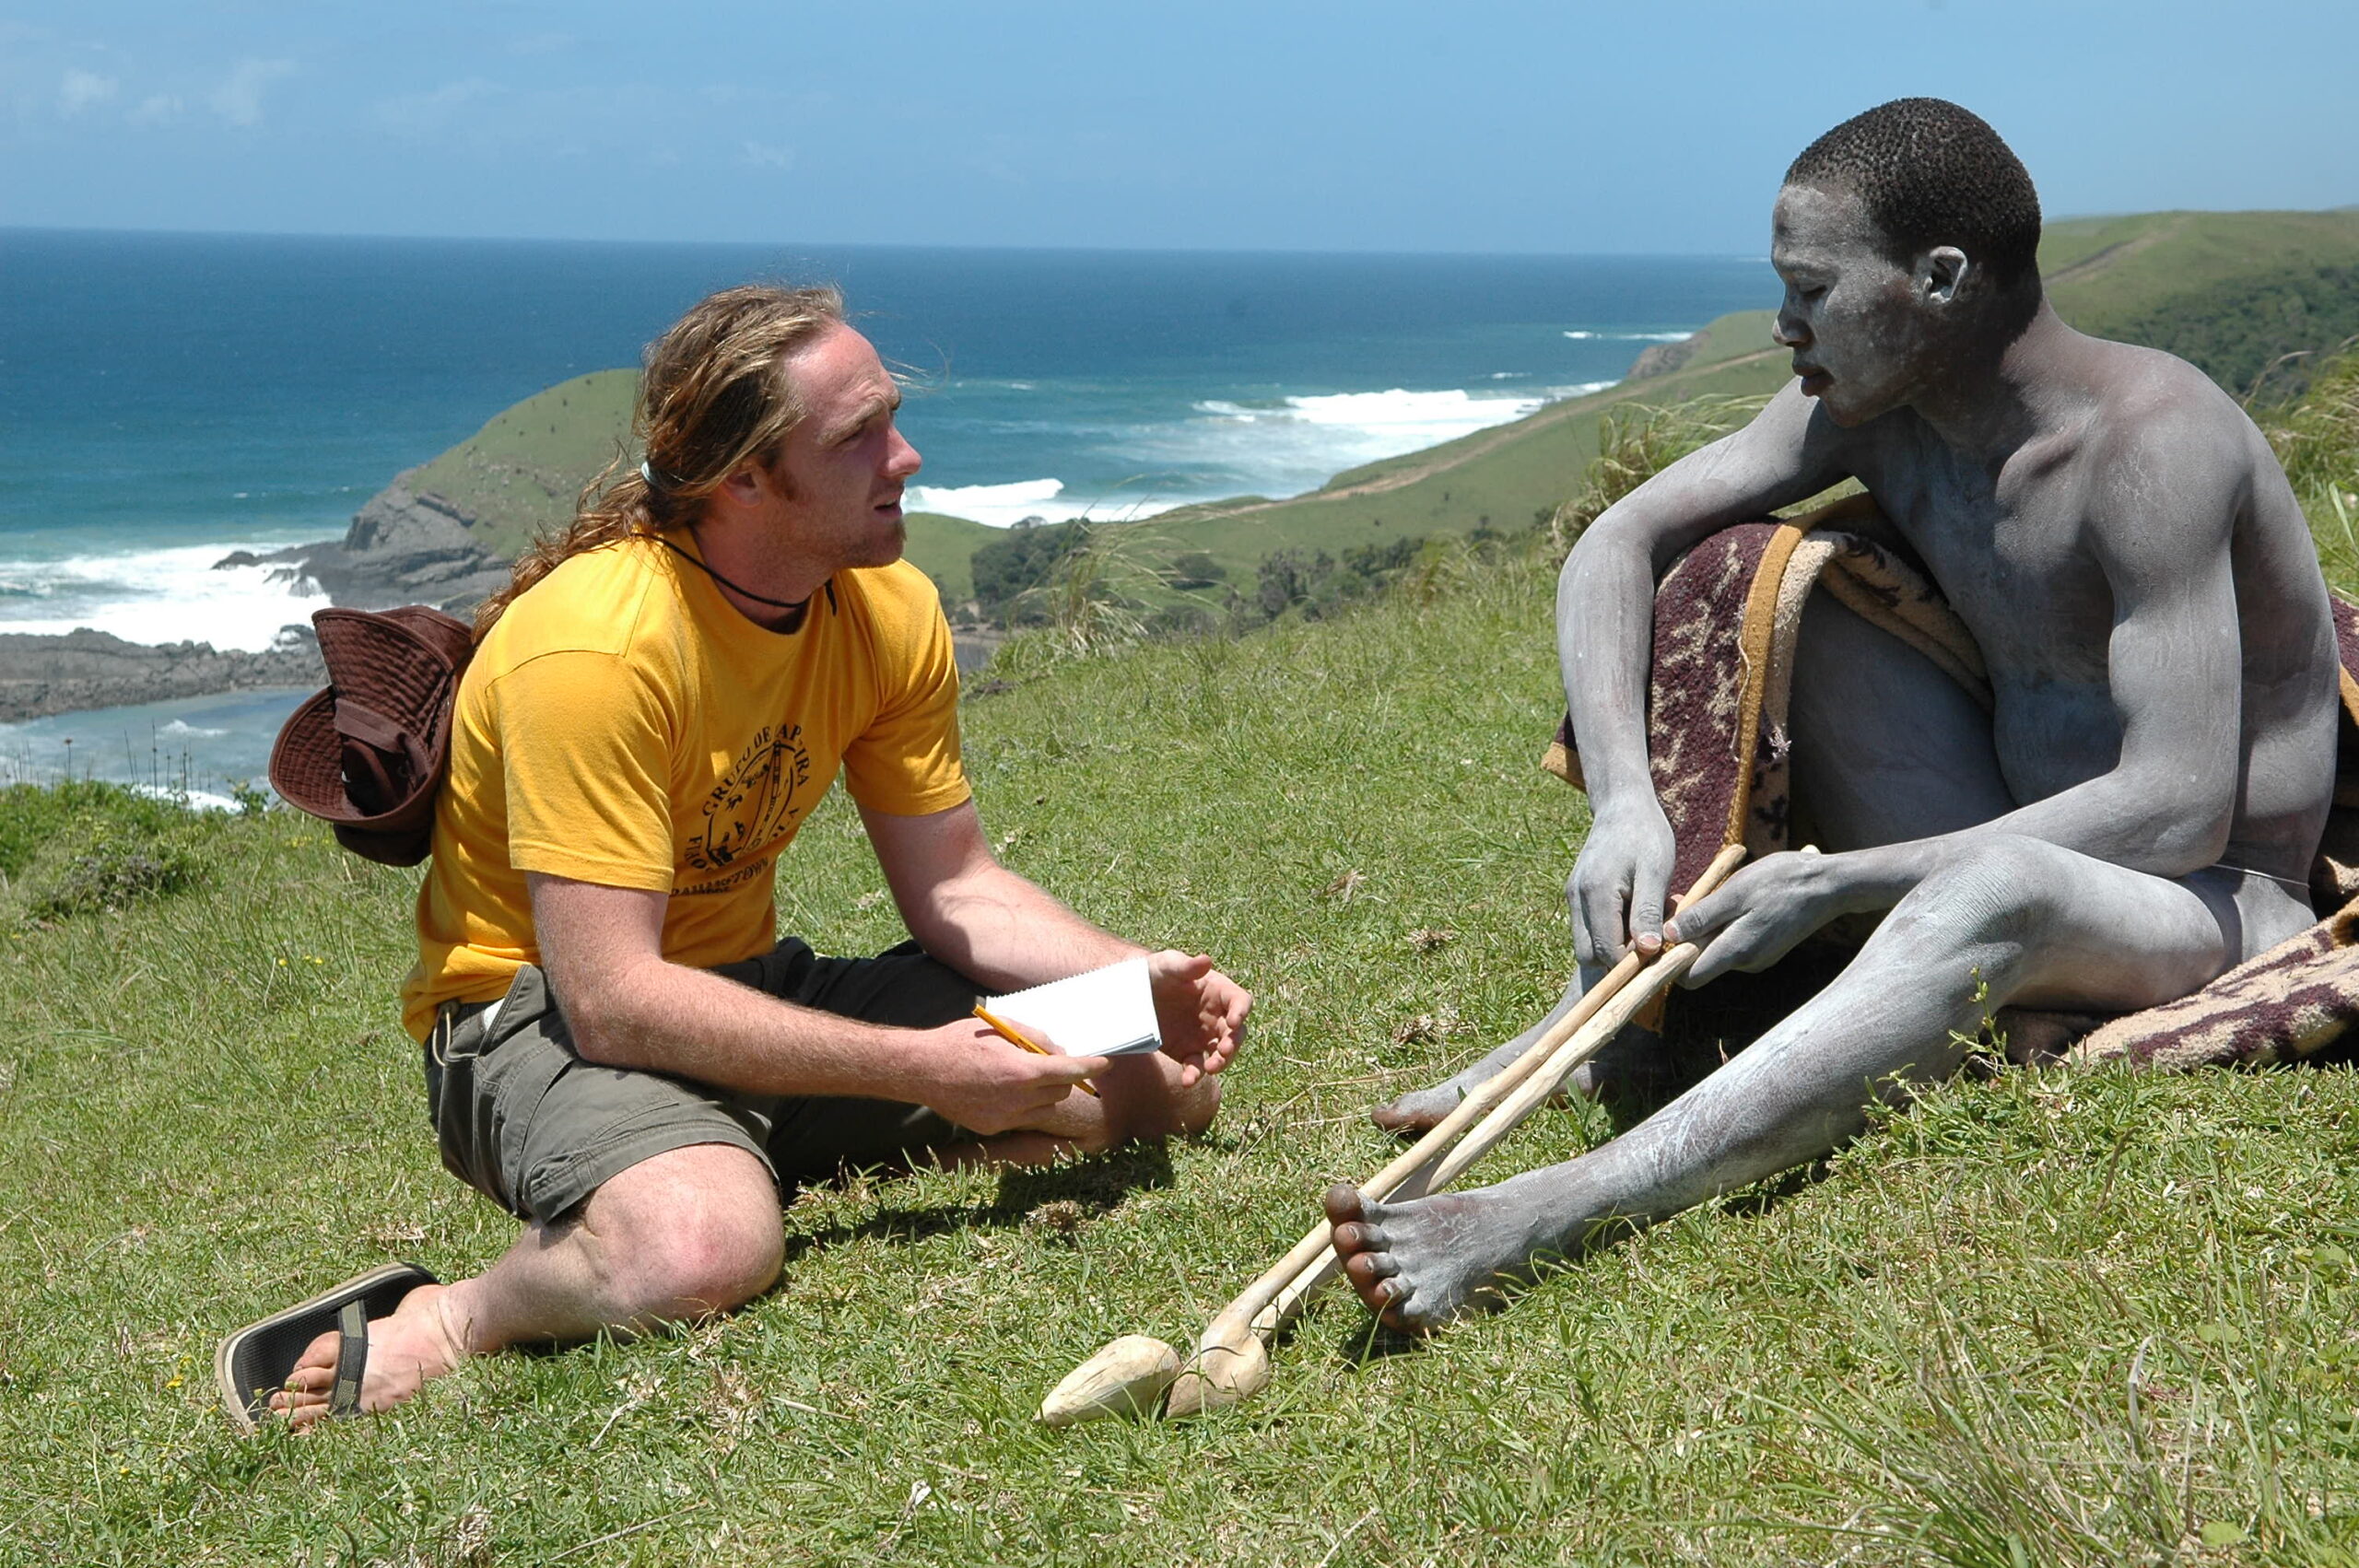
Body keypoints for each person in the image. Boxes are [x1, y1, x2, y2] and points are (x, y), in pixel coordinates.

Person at [1332, 98, 2337, 1329]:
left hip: (2213, 894)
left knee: (1997, 890)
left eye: (1813, 289)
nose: (1783, 324)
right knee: (1751, 578)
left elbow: (2179, 806)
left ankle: (1562, 1204)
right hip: (2002, 818)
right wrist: (1623, 806)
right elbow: (1617, 539)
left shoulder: (2153, 443)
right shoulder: (1875, 413)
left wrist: (1846, 877)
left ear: (1942, 279)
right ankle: (1610, 1024)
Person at [269, 285, 1250, 1424]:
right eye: (861, 436)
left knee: (1161, 1088)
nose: (908, 456)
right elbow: (613, 1004)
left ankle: (732, 1154)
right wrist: (933, 1072)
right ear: (743, 478)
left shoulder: (884, 607)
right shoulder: (595, 651)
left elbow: (957, 884)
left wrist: (1138, 980)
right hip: (528, 1016)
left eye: (891, 418)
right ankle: (457, 1313)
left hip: (743, 992)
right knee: (698, 1250)